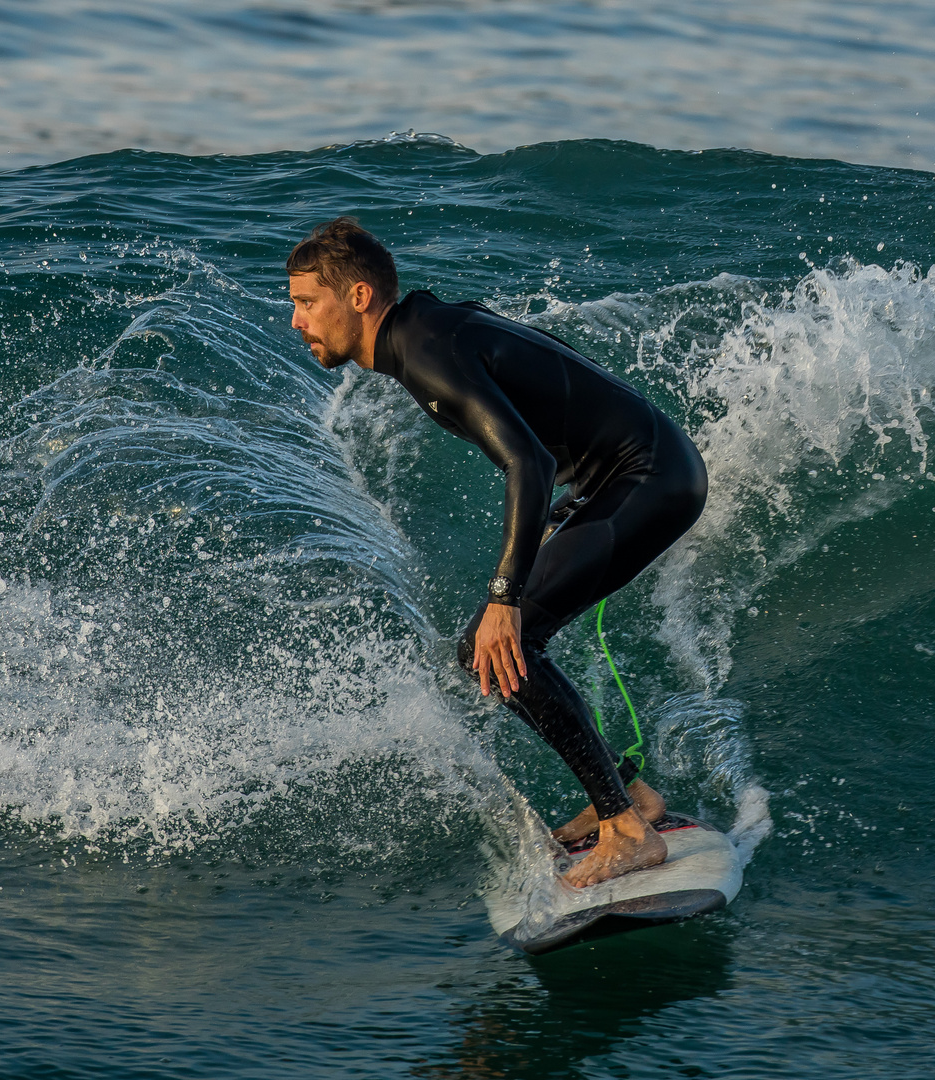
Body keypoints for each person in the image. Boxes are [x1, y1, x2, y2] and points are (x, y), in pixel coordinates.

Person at [285, 217, 707, 887]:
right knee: (498, 646)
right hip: (629, 473)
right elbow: (551, 369)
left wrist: (504, 598)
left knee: (506, 641)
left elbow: (527, 461)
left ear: (359, 298)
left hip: (649, 479)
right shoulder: (427, 327)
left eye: (308, 303)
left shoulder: (423, 349)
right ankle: (633, 800)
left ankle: (627, 828)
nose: (296, 320)